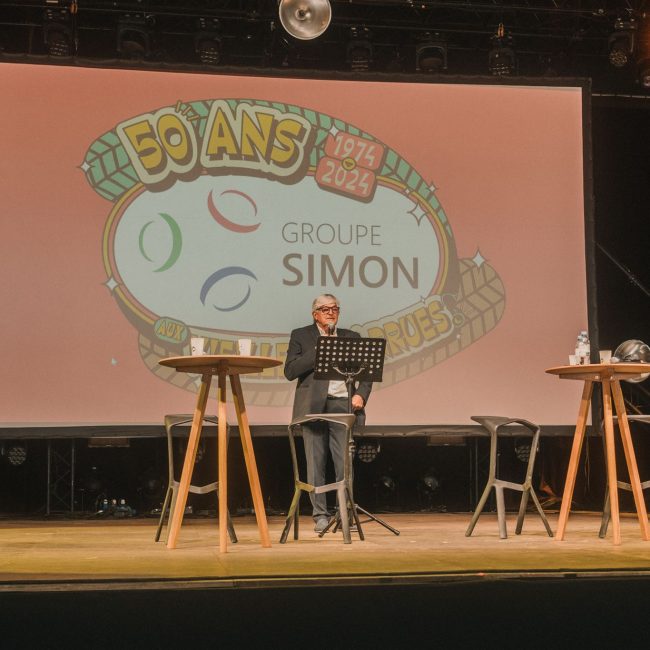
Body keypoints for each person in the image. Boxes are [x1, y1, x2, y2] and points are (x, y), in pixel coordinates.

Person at [284, 293, 373, 533]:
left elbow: (366, 373)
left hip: (343, 405)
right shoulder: (301, 336)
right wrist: (320, 349)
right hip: (313, 407)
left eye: (335, 308)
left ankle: (343, 514)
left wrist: (361, 395)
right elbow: (290, 371)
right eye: (325, 309)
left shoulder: (351, 337)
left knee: (344, 464)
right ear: (315, 314)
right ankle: (320, 515)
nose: (331, 312)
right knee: (315, 462)